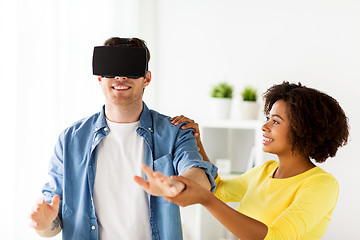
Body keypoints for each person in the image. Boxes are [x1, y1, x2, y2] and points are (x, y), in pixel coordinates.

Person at [29, 37, 217, 240]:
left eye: (130, 69)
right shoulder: (70, 141)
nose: (120, 76)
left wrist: (178, 185)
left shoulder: (175, 132)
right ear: (100, 78)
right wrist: (44, 225)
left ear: (146, 78)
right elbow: (52, 224)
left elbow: (201, 178)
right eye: (111, 69)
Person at [136, 81, 349, 239]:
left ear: (303, 130)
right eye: (268, 118)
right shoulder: (265, 170)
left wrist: (205, 200)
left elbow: (274, 237)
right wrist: (198, 141)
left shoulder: (321, 185)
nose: (265, 126)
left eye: (276, 121)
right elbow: (217, 188)